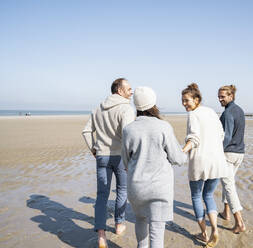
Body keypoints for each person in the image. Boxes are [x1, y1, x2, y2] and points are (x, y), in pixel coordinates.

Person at [122, 87, 186, 248]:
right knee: (157, 233)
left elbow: (125, 161)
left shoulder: (128, 130)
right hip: (159, 188)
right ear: (153, 104)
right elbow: (177, 158)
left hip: (137, 187)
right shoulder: (163, 127)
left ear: (136, 106)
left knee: (140, 221)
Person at [82, 78, 135, 248]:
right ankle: (119, 224)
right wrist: (131, 156)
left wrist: (94, 150)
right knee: (122, 190)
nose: (131, 91)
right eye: (128, 88)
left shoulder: (98, 107)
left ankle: (101, 235)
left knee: (102, 195)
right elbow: (128, 135)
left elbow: (86, 131)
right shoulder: (126, 108)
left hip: (102, 156)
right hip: (120, 156)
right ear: (119, 90)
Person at [182, 83, 227, 248]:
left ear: (196, 99)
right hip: (217, 161)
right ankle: (215, 229)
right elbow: (221, 134)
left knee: (196, 196)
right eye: (183, 101)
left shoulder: (193, 115)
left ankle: (203, 233)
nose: (185, 104)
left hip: (200, 162)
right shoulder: (211, 112)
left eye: (187, 100)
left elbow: (194, 138)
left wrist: (182, 151)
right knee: (208, 196)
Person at [218, 85, 246, 234]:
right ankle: (226, 212)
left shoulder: (228, 113)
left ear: (231, 96)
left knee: (229, 186)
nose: (220, 99)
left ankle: (239, 222)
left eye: (223, 97)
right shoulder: (240, 110)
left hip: (229, 154)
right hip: (239, 153)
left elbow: (227, 136)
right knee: (227, 183)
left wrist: (217, 151)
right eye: (219, 96)